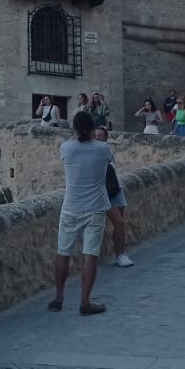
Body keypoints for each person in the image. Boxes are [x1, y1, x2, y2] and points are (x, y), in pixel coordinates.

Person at [50, 111, 112, 315]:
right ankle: (85, 302)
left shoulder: (66, 148)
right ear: (93, 129)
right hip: (95, 208)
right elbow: (109, 161)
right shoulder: (103, 149)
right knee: (90, 254)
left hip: (70, 207)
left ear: (74, 128)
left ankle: (59, 297)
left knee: (63, 252)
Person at [93, 126, 135, 267]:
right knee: (119, 222)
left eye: (101, 135)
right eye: (96, 135)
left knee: (120, 223)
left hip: (115, 188)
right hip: (103, 191)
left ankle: (120, 254)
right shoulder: (93, 151)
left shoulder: (106, 150)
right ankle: (118, 255)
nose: (98, 137)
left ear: (106, 137)